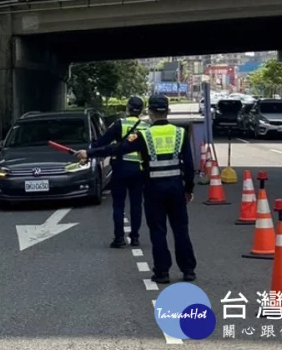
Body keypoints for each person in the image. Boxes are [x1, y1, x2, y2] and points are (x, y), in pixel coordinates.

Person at [77, 95, 197, 284]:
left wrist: (89, 153)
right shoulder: (180, 133)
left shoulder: (144, 135)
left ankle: (162, 272)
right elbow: (189, 166)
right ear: (168, 111)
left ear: (149, 112)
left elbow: (117, 149)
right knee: (181, 229)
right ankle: (188, 270)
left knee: (158, 231)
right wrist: (188, 188)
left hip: (153, 189)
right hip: (175, 188)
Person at [90, 96, 147, 249]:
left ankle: (119, 238)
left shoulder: (119, 124)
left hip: (121, 167)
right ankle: (135, 237)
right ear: (141, 110)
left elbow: (102, 142)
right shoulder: (146, 127)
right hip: (139, 169)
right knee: (136, 204)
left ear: (127, 108)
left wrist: (90, 151)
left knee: (118, 205)